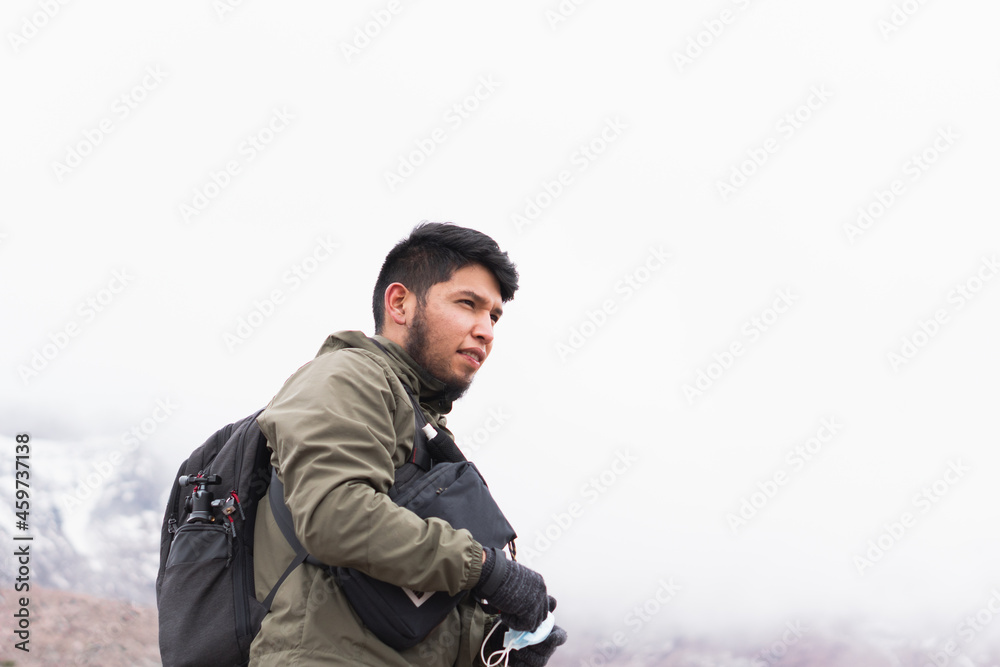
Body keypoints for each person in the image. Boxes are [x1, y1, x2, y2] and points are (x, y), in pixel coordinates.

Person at [249, 222, 567, 666]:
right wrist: (485, 568)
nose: (486, 330)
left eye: (493, 316)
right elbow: (335, 516)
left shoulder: (424, 424)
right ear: (399, 303)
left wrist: (504, 643)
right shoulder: (347, 376)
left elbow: (405, 609)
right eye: (467, 304)